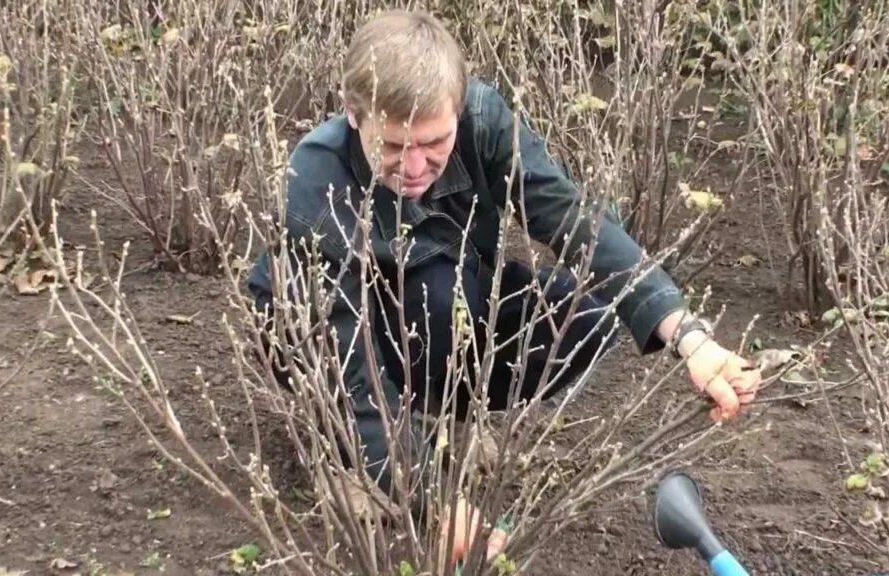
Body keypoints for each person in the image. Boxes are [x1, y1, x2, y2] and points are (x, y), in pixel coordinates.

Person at [246, 8, 762, 564]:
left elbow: (576, 224)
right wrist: (432, 501)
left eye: (434, 142)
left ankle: (436, 418)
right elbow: (346, 361)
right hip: (328, 334)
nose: (417, 166)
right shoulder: (317, 178)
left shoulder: (483, 120)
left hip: (442, 303)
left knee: (583, 316)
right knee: (434, 301)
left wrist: (690, 337)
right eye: (394, 147)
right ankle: (353, 460)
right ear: (354, 114)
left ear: (458, 108)